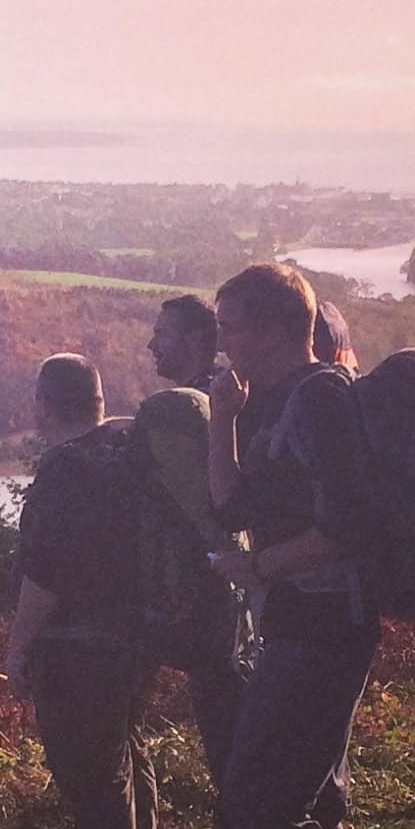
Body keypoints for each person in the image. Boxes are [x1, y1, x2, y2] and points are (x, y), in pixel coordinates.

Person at [206, 261, 394, 829]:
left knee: (256, 797)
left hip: (327, 625)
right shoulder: (273, 402)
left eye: (230, 326)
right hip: (297, 623)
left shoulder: (321, 398)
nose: (221, 342)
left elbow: (349, 528)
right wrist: (222, 416)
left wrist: (256, 568)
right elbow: (229, 508)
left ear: (280, 327)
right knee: (302, 797)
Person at [4, 353, 161, 829]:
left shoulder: (64, 474)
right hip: (135, 634)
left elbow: (44, 576)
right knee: (127, 751)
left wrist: (18, 647)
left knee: (91, 774)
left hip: (76, 644)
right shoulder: (124, 456)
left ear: (44, 406)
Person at [141, 294, 245, 799]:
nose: (152, 343)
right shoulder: (221, 394)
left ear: (198, 340)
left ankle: (242, 828)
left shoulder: (204, 409)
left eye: (162, 333)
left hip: (214, 587)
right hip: (226, 583)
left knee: (224, 706)